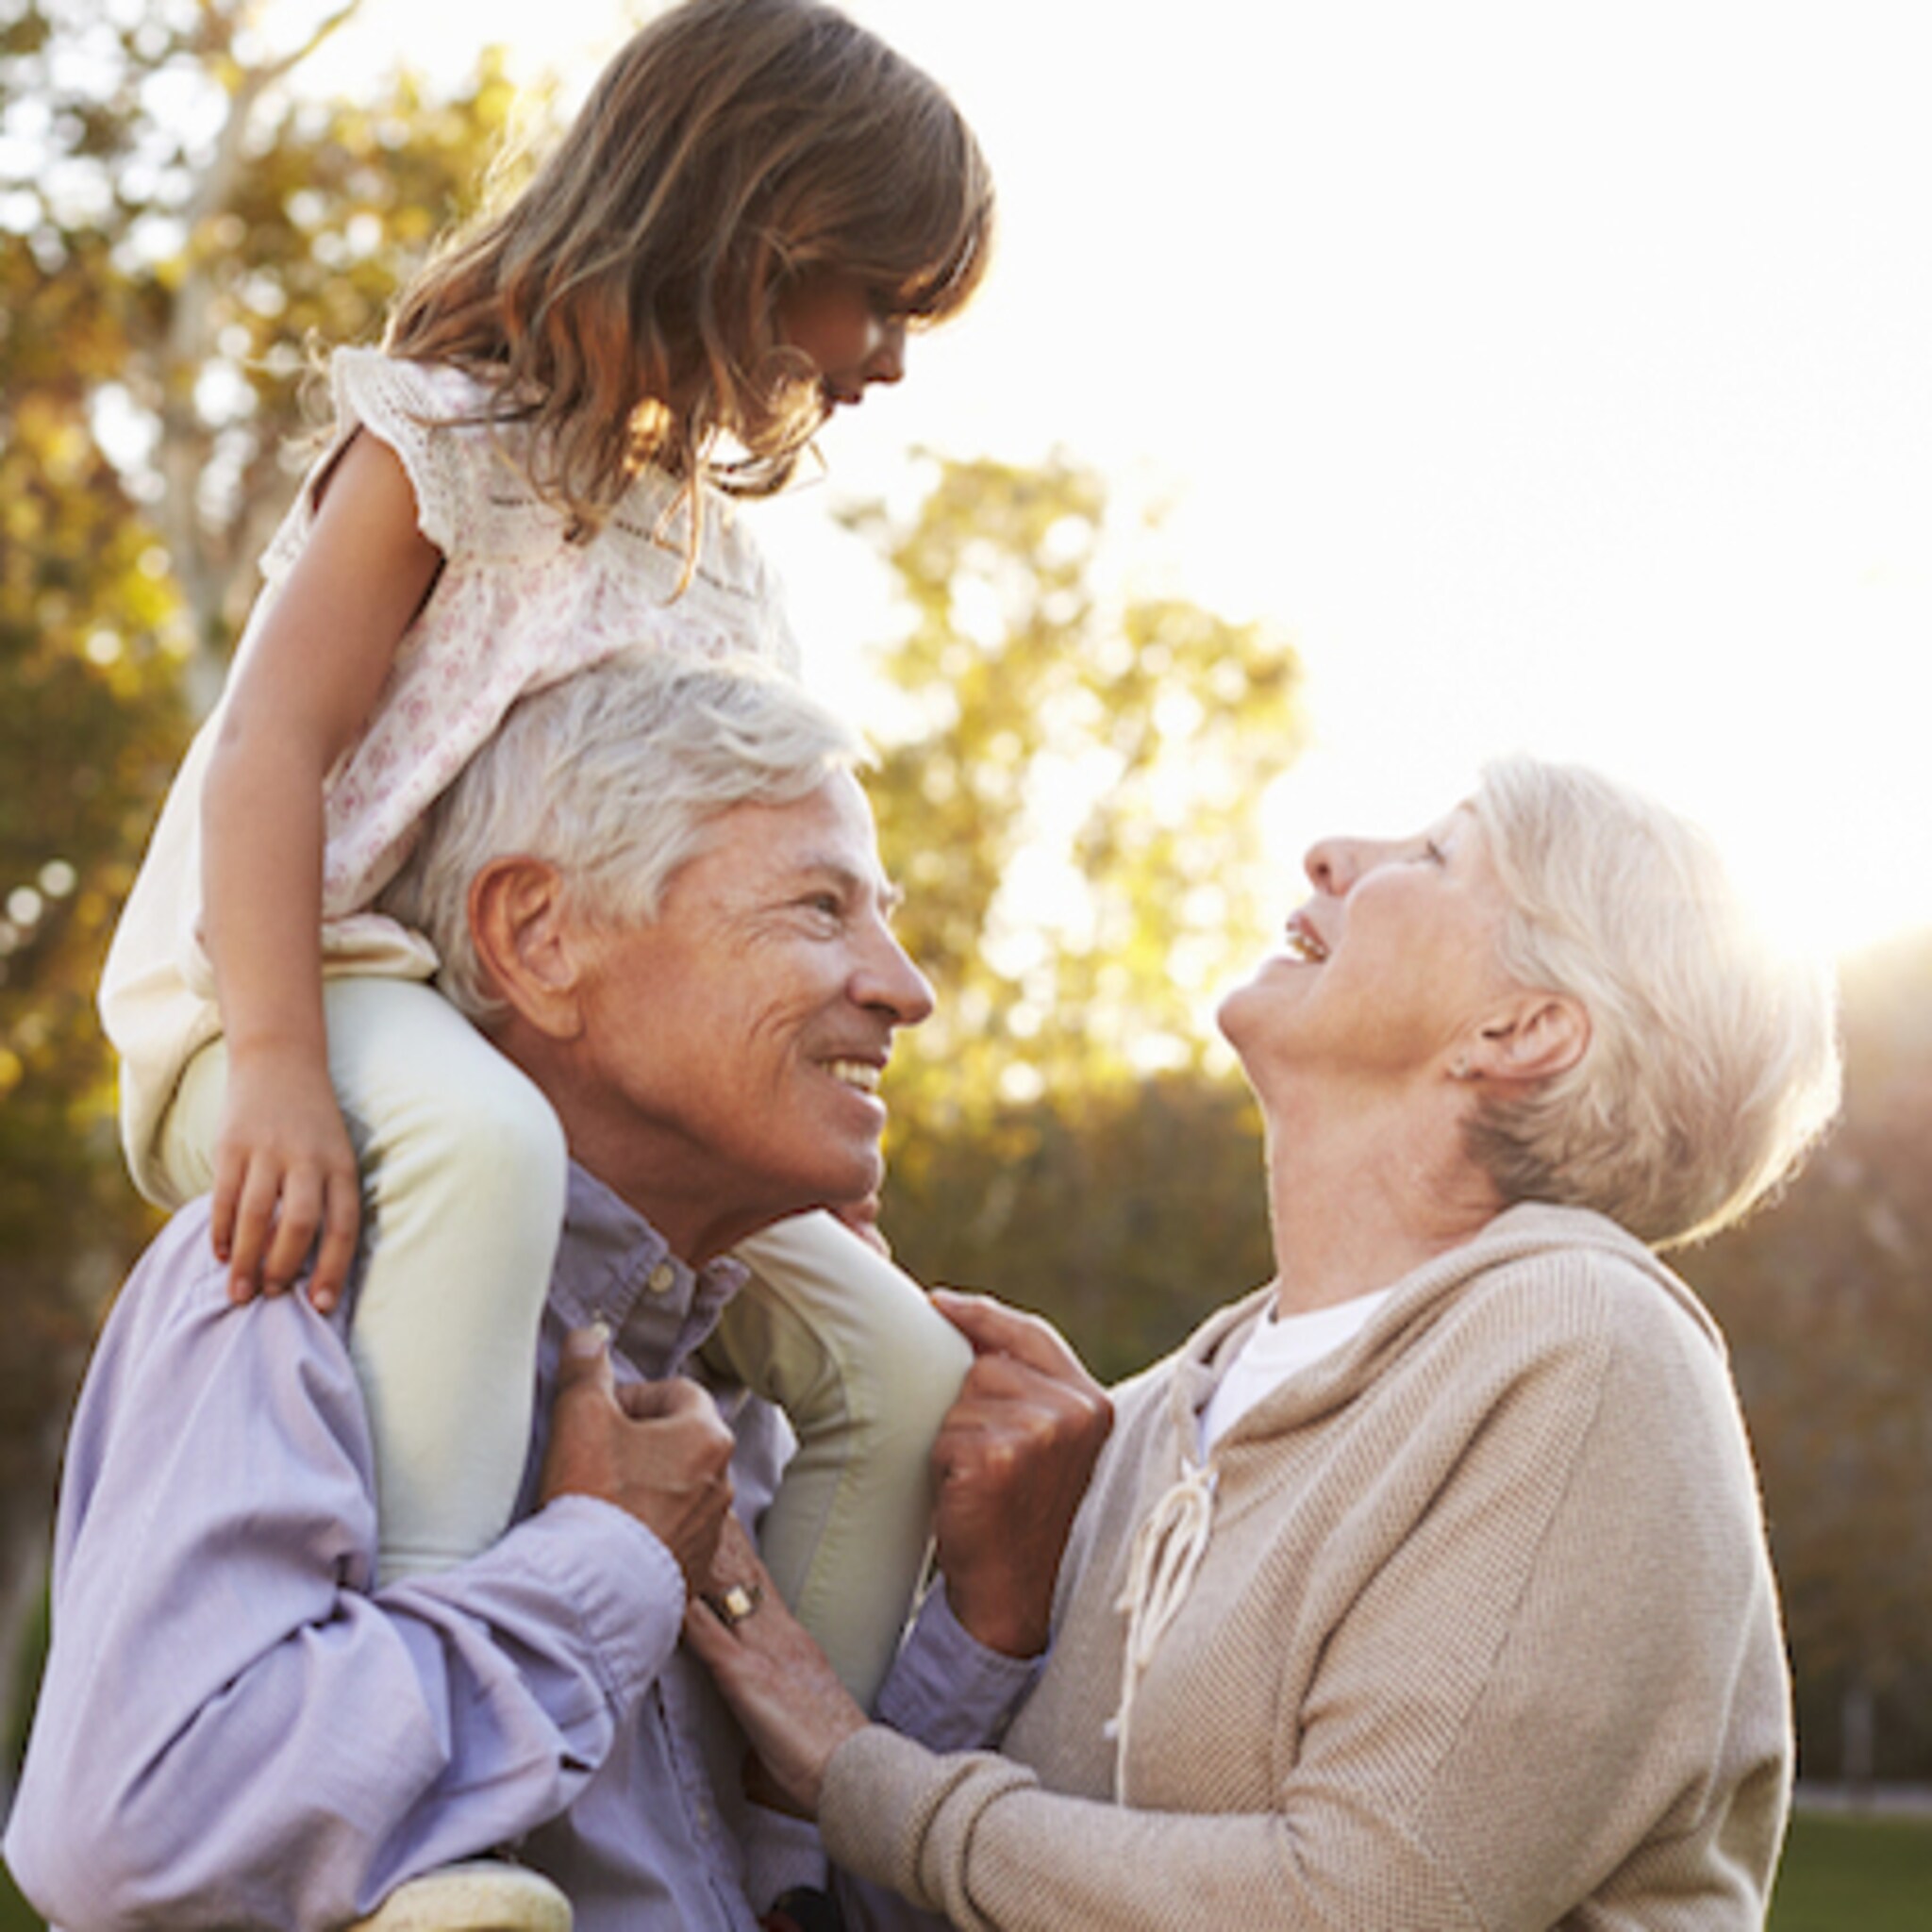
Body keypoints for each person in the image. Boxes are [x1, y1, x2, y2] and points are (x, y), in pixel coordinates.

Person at [97, 0, 992, 1707]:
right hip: (305, 966)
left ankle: (791, 1814)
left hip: (524, 1014)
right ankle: (422, 1759)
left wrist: (797, 1111)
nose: (884, 356)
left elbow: (727, 854)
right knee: (482, 1149)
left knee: (897, 1355)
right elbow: (269, 751)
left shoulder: (709, 550)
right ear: (749, 231)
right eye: (874, 295)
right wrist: (277, 1063)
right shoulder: (443, 438)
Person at [7, 651, 1111, 1932]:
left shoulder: (743, 1400)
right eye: (821, 909)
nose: (904, 988)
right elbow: (141, 1832)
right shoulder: (285, 1287)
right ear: (539, 937)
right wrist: (606, 1563)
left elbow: (789, 1909)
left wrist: (988, 1623)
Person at [687, 757, 1843, 1931]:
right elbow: (945, 1896)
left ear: (1521, 1028)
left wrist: (846, 1765)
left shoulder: (1586, 1349)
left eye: (1436, 854)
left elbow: (1355, 1902)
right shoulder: (1149, 1417)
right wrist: (988, 1595)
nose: (1332, 852)